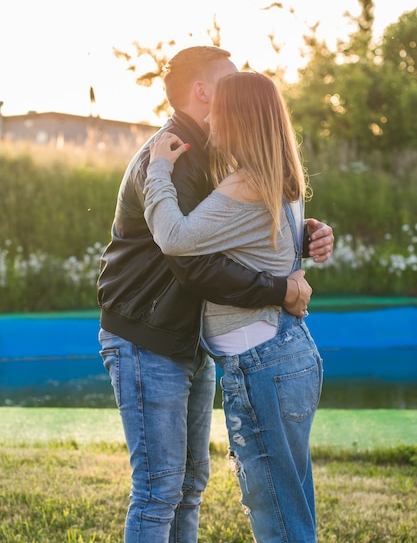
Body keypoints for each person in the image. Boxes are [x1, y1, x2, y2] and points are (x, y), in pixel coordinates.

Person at [97, 46, 334, 543]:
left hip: (191, 341)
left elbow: (241, 224)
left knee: (189, 485)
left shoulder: (218, 152)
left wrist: (302, 235)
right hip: (150, 337)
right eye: (226, 81)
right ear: (204, 92)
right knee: (161, 487)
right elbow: (192, 261)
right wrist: (280, 288)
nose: (233, 88)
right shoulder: (171, 157)